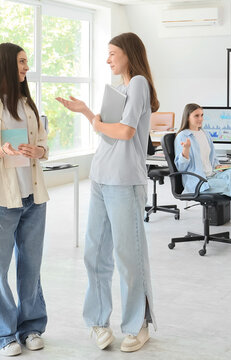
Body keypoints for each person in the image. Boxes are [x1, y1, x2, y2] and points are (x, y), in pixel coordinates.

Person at [57, 32, 157, 353]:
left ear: (128, 54)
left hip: (125, 181)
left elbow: (125, 132)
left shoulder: (139, 83)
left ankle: (136, 325)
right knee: (95, 254)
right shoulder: (119, 89)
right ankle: (99, 322)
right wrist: (88, 112)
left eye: (113, 53)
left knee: (129, 257)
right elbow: (109, 132)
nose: (108, 59)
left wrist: (97, 124)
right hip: (101, 177)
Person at [0, 43, 49, 356]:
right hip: (0, 199)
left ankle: (30, 327)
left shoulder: (28, 104)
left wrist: (38, 151)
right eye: (21, 62)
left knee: (31, 267)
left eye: (27, 62)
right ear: (4, 64)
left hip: (32, 196)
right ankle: (1, 336)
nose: (26, 67)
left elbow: (43, 145)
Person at [174, 103, 231, 255]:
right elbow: (180, 167)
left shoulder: (204, 133)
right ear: (188, 117)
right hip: (199, 181)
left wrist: (221, 167)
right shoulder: (182, 136)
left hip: (212, 175)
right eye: (196, 116)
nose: (200, 119)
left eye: (202, 115)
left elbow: (212, 161)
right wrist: (185, 151)